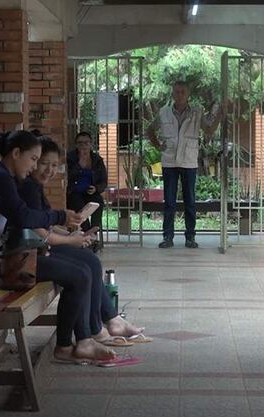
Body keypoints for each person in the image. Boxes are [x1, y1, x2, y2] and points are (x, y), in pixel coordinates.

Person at [0, 130, 115, 363]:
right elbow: (24, 217)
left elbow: (28, 218)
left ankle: (83, 339)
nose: (34, 167)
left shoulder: (3, 176)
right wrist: (60, 216)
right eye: (34, 159)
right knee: (80, 276)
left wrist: (60, 224)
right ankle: (68, 345)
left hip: (12, 256)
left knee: (85, 266)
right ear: (16, 153)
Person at [20, 131, 149, 347]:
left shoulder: (34, 187)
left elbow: (44, 225)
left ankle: (106, 323)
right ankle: (90, 332)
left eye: (54, 165)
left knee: (89, 261)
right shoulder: (27, 187)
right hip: (25, 255)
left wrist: (70, 236)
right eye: (41, 163)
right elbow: (39, 231)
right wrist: (70, 240)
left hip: (34, 249)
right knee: (84, 269)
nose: (49, 170)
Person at [146, 81, 222, 249]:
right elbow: (150, 130)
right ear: (173, 94)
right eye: (177, 92)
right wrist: (158, 145)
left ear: (188, 95)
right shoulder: (164, 112)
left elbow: (209, 130)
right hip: (169, 161)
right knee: (169, 202)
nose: (179, 95)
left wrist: (220, 114)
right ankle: (167, 237)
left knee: (190, 201)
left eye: (182, 92)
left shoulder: (197, 112)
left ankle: (190, 237)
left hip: (189, 161)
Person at [66, 132, 108, 242]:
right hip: (74, 192)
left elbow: (103, 181)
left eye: (86, 143)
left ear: (91, 144)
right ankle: (87, 234)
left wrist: (96, 188)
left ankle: (93, 231)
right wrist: (79, 163)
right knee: (78, 205)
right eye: (80, 143)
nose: (83, 146)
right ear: (76, 145)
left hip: (90, 192)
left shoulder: (97, 160)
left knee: (98, 202)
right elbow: (67, 176)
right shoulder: (70, 158)